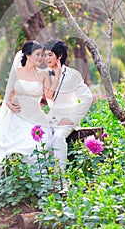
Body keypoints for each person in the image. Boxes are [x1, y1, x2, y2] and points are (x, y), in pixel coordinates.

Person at [0, 40, 53, 204]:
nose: (41, 58)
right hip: (16, 118)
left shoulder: (44, 74)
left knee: (42, 144)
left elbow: (50, 98)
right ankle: (1, 189)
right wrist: (9, 102)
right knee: (6, 151)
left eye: (42, 54)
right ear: (27, 55)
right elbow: (8, 95)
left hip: (36, 119)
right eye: (38, 54)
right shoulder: (17, 72)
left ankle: (37, 188)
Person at [43, 39, 93, 170]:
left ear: (59, 56)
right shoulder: (45, 75)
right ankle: (44, 181)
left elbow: (87, 98)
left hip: (67, 120)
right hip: (51, 119)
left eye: (50, 55)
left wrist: (71, 119)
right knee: (41, 142)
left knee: (58, 138)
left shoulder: (73, 75)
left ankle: (61, 180)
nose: (46, 58)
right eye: (45, 55)